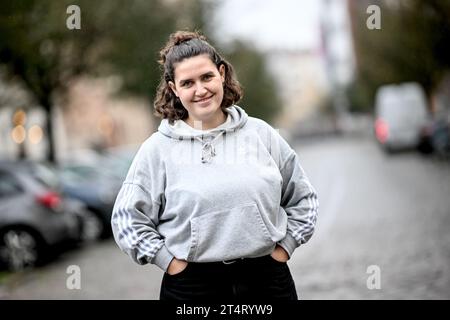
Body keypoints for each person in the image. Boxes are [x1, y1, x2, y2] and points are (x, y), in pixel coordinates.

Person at [111, 30, 319, 301]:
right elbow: (127, 219)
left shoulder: (261, 134)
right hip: (192, 288)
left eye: (207, 77)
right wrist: (168, 261)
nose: (200, 90)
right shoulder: (157, 149)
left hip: (267, 281)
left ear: (221, 73)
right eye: (187, 83)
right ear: (174, 88)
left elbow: (304, 199)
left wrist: (286, 247)